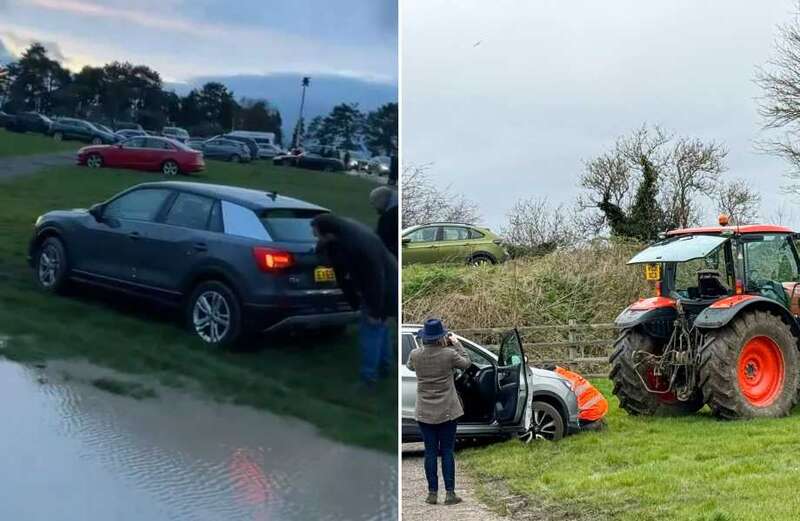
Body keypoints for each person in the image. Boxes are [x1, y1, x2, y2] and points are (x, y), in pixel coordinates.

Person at [311, 213, 397, 385]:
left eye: (317, 234)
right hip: (387, 283)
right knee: (381, 328)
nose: (315, 237)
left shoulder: (356, 246)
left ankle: (368, 378)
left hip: (382, 289)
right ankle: (385, 368)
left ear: (328, 233)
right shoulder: (348, 231)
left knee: (371, 330)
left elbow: (375, 279)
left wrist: (374, 308)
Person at [406, 318, 471, 506]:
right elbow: (467, 364)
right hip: (448, 410)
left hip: (424, 411)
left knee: (430, 452)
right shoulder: (449, 354)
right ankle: (450, 493)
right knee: (447, 451)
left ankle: (432, 494)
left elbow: (410, 366)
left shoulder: (415, 354)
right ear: (441, 337)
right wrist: (457, 344)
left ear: (424, 337)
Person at [369, 186, 398, 257]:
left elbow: (381, 242)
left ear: (381, 199)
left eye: (373, 203)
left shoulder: (388, 217)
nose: (374, 208)